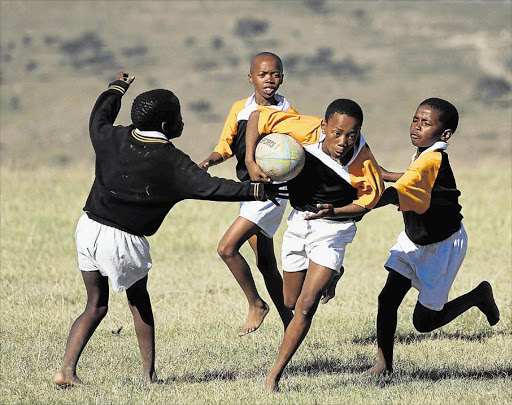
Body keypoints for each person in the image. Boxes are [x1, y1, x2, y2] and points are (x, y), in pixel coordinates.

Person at [54, 71, 286, 388]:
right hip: (124, 241)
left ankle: (65, 370)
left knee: (95, 305)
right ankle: (149, 377)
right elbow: (213, 188)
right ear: (167, 126)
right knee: (139, 304)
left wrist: (116, 89)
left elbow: (99, 117)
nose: (183, 122)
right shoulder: (173, 162)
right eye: (178, 116)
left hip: (88, 228)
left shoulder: (112, 137)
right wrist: (258, 192)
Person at [245, 99, 384, 391]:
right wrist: (250, 161)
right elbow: (258, 116)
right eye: (337, 133)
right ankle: (334, 273)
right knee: (290, 303)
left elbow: (366, 205)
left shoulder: (364, 162)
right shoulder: (305, 129)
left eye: (352, 135)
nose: (344, 141)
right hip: (298, 223)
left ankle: (273, 376)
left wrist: (334, 212)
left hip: (335, 230)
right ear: (324, 127)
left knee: (306, 308)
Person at [364, 98, 500, 376]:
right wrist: (381, 173)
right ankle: (384, 365)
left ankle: (478, 295)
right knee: (387, 299)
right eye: (416, 119)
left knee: (424, 323)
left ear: (445, 134)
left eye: (426, 123)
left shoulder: (433, 159)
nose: (417, 127)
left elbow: (394, 194)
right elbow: (408, 179)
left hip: (442, 246)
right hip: (414, 240)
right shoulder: (424, 154)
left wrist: (357, 206)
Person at [198, 52, 297, 336]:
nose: (269, 79)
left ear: (282, 77)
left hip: (271, 192)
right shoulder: (240, 108)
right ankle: (291, 325)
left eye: (275, 74)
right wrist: (210, 160)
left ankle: (256, 304)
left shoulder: (288, 113)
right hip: (247, 191)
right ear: (251, 77)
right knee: (265, 262)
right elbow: (226, 145)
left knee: (226, 248)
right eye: (263, 74)